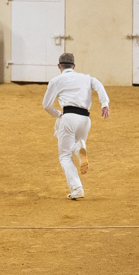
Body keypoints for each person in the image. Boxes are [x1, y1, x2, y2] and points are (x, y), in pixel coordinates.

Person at [40, 52, 110, 200]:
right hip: (85, 119)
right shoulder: (86, 78)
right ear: (74, 66)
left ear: (59, 66)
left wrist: (57, 114)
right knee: (75, 145)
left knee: (65, 156)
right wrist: (104, 103)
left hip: (69, 117)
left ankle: (77, 188)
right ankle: (79, 149)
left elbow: (46, 105)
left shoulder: (56, 81)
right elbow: (98, 85)